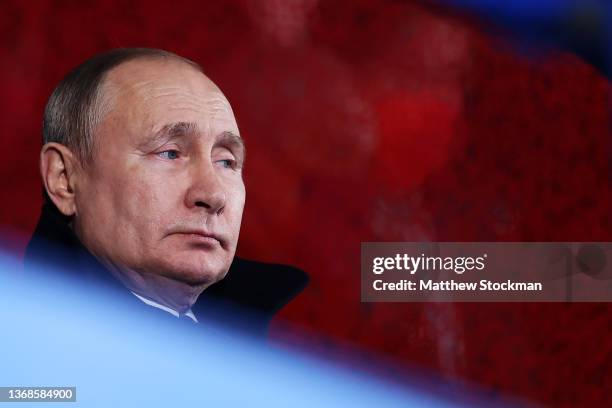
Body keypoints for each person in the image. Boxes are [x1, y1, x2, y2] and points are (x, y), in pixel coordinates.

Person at [23, 48, 307, 336]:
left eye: (226, 162)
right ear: (65, 179)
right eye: (170, 153)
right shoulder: (21, 356)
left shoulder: (290, 345)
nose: (213, 195)